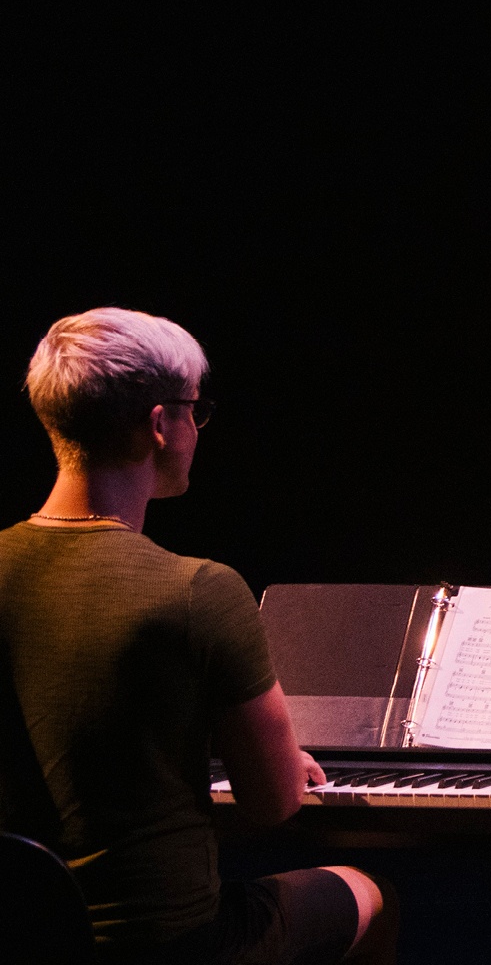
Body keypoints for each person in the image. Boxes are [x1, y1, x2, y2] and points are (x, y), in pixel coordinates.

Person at [0, 308, 396, 964]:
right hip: (167, 942)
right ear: (161, 424)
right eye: (195, 409)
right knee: (368, 893)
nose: (196, 427)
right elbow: (272, 804)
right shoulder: (197, 590)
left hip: (21, 937)